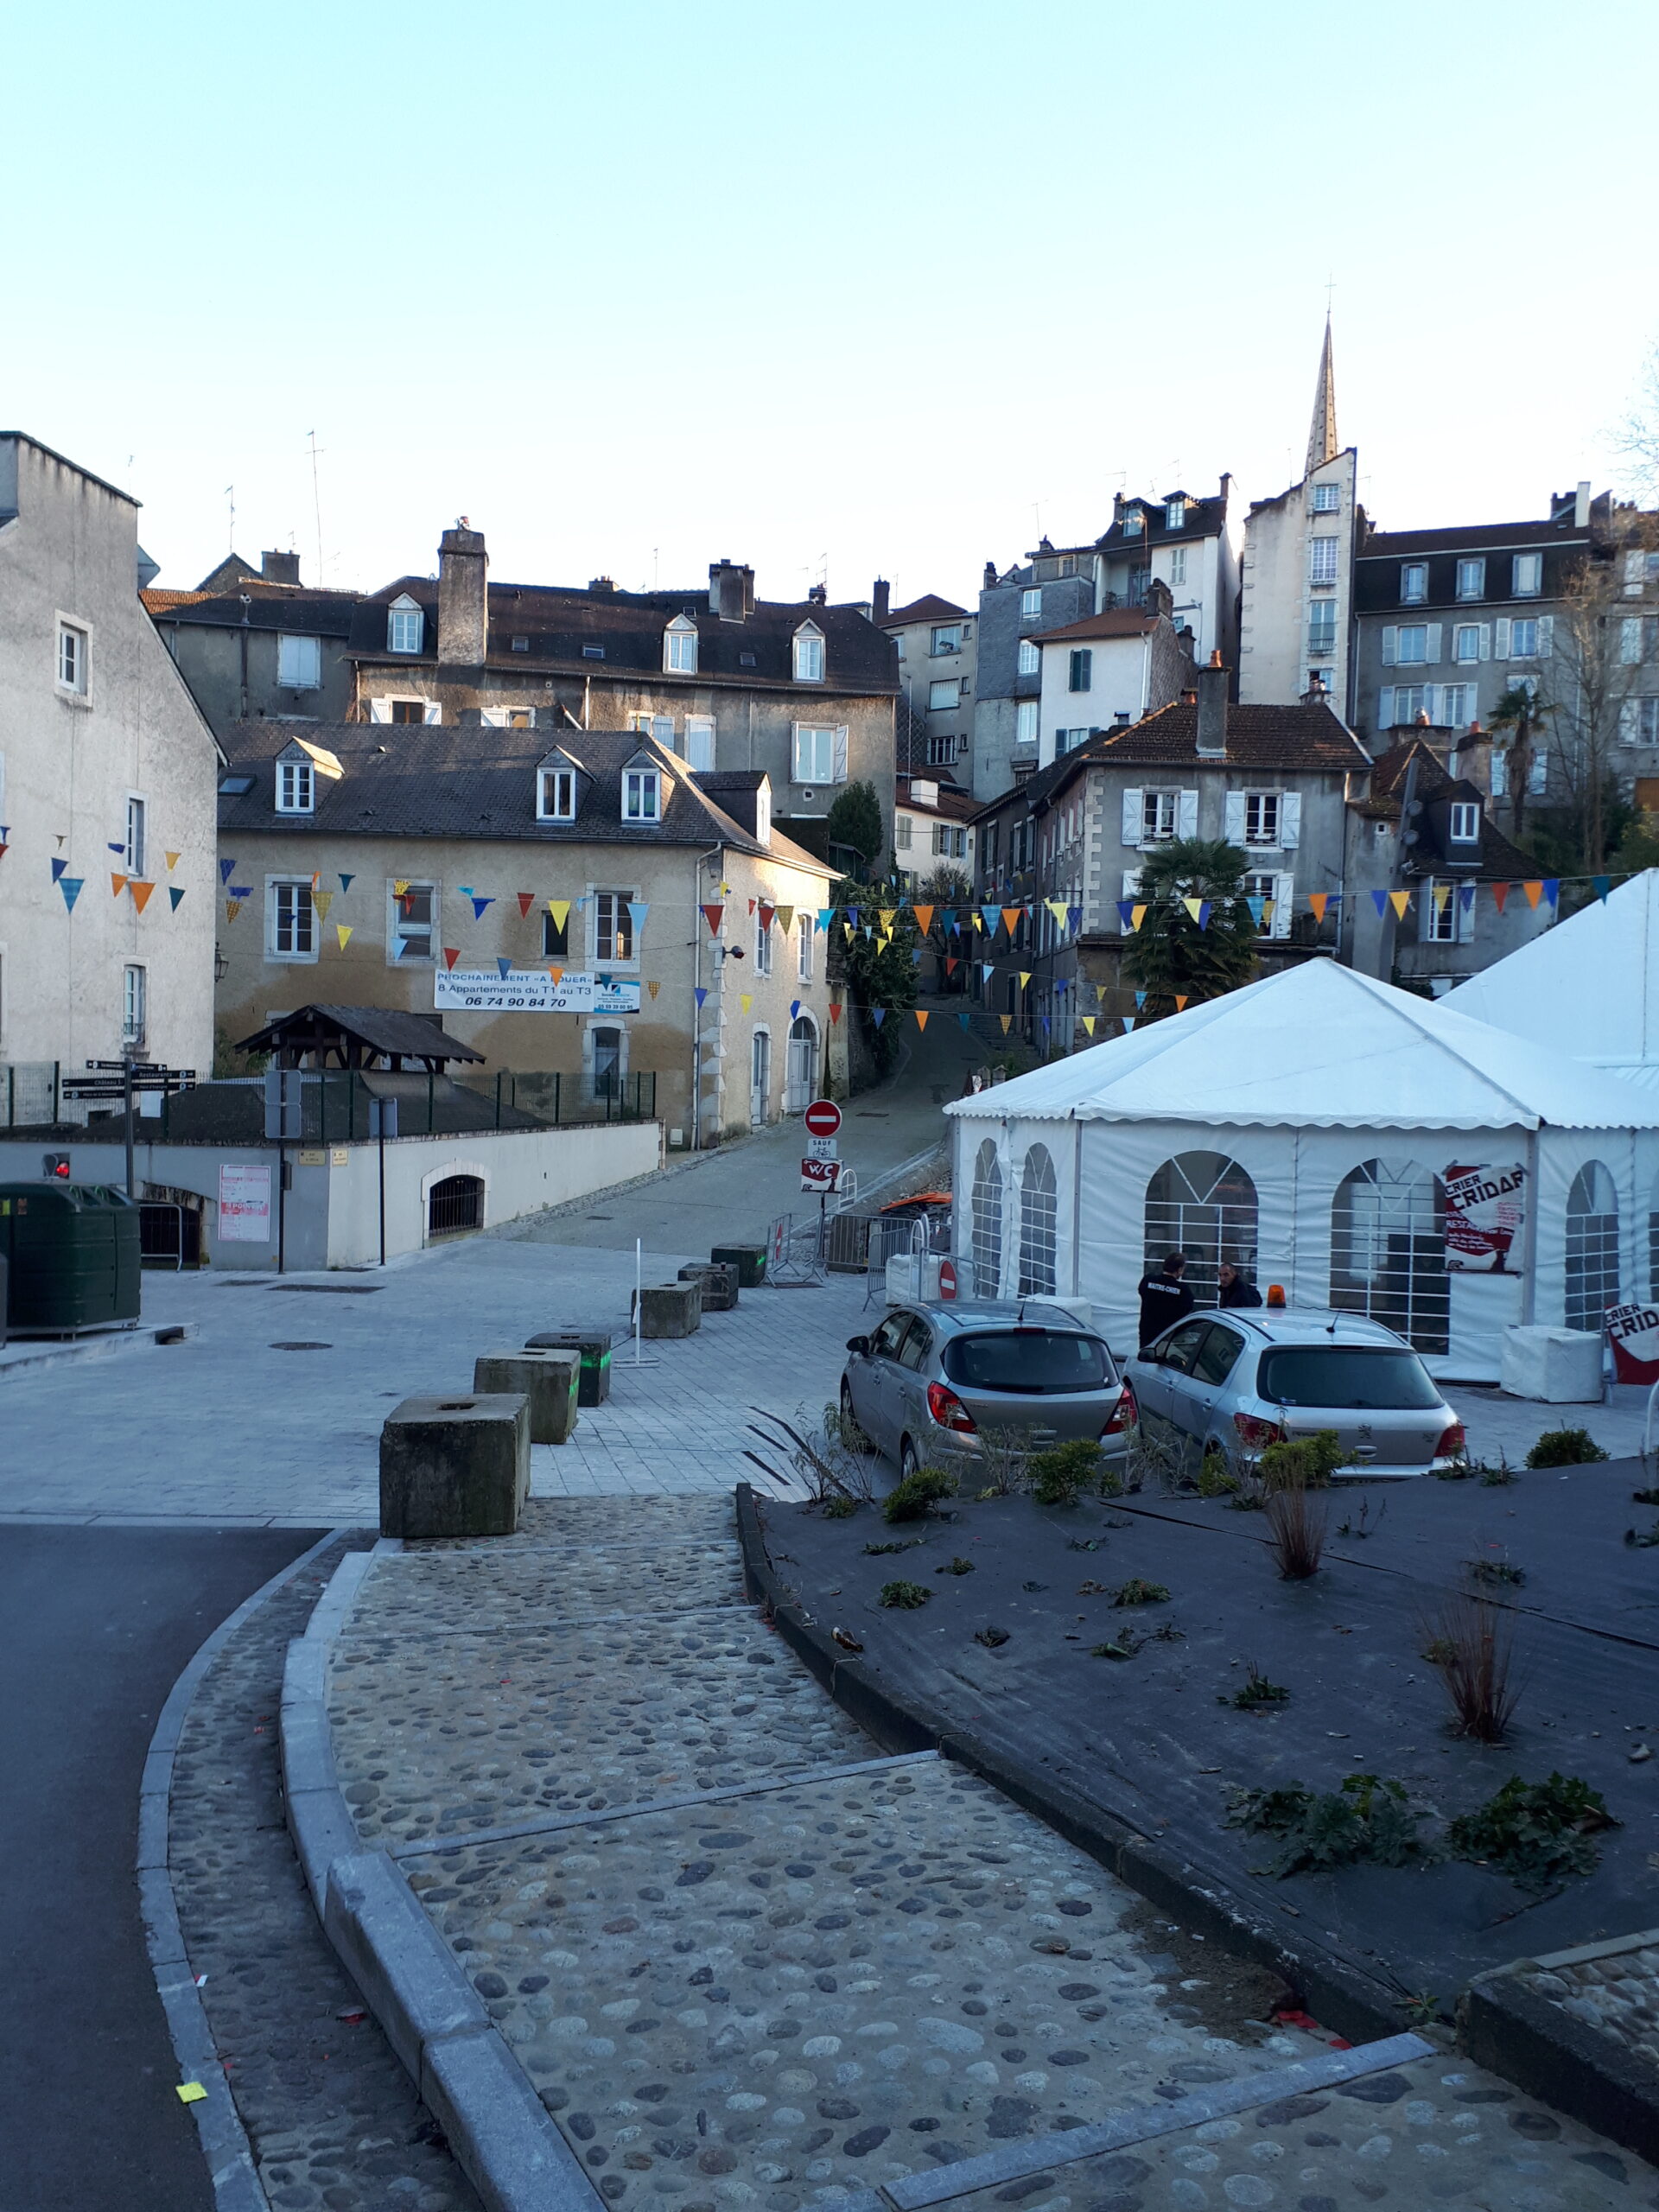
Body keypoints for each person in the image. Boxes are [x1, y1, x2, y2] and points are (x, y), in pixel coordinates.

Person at [1137, 1251, 1194, 1350]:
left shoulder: (1148, 1280)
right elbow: (1188, 1309)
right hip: (1168, 1338)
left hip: (1147, 1334)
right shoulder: (1183, 1290)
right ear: (1180, 1269)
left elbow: (1141, 1292)